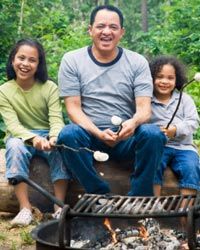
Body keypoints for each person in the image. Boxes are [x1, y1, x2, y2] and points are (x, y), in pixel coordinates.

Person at [57, 5, 166, 197]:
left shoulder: (137, 62)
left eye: (113, 27)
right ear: (90, 30)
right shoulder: (72, 60)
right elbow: (73, 109)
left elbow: (144, 110)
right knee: (67, 134)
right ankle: (99, 193)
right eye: (101, 26)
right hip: (89, 137)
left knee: (153, 133)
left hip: (126, 137)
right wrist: (98, 133)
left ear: (121, 32)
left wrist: (132, 123)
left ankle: (139, 197)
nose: (106, 31)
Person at [0, 38, 69, 226]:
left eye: (32, 60)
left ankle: (58, 207)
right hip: (21, 137)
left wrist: (54, 137)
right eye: (21, 58)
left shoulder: (49, 88)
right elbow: (13, 126)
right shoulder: (4, 91)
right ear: (13, 60)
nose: (25, 64)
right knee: (14, 146)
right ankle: (25, 208)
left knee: (61, 147)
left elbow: (56, 119)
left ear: (39, 64)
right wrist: (33, 139)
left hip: (47, 134)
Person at [149, 55, 200, 200]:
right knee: (153, 165)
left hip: (184, 147)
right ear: (151, 78)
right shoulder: (147, 100)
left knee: (191, 168)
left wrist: (176, 129)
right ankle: (153, 205)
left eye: (170, 78)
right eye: (159, 77)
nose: (164, 81)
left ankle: (186, 212)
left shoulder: (184, 99)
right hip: (160, 146)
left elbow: (193, 121)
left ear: (177, 80)